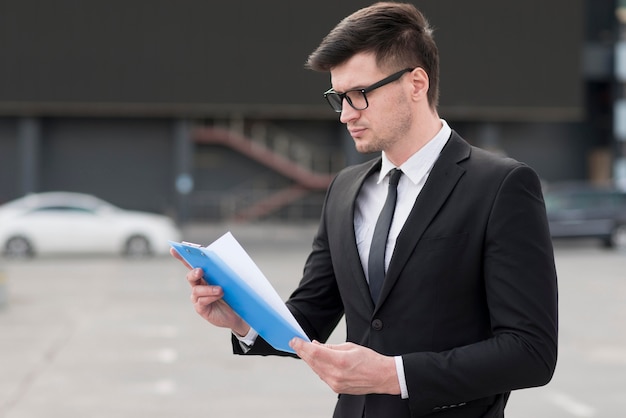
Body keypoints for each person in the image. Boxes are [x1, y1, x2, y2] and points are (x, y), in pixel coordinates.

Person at [172, 2, 558, 417]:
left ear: (416, 83)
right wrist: (242, 321)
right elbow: (309, 317)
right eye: (338, 97)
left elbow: (530, 351)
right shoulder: (344, 189)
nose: (345, 114)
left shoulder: (501, 185)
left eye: (359, 95)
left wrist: (394, 375)